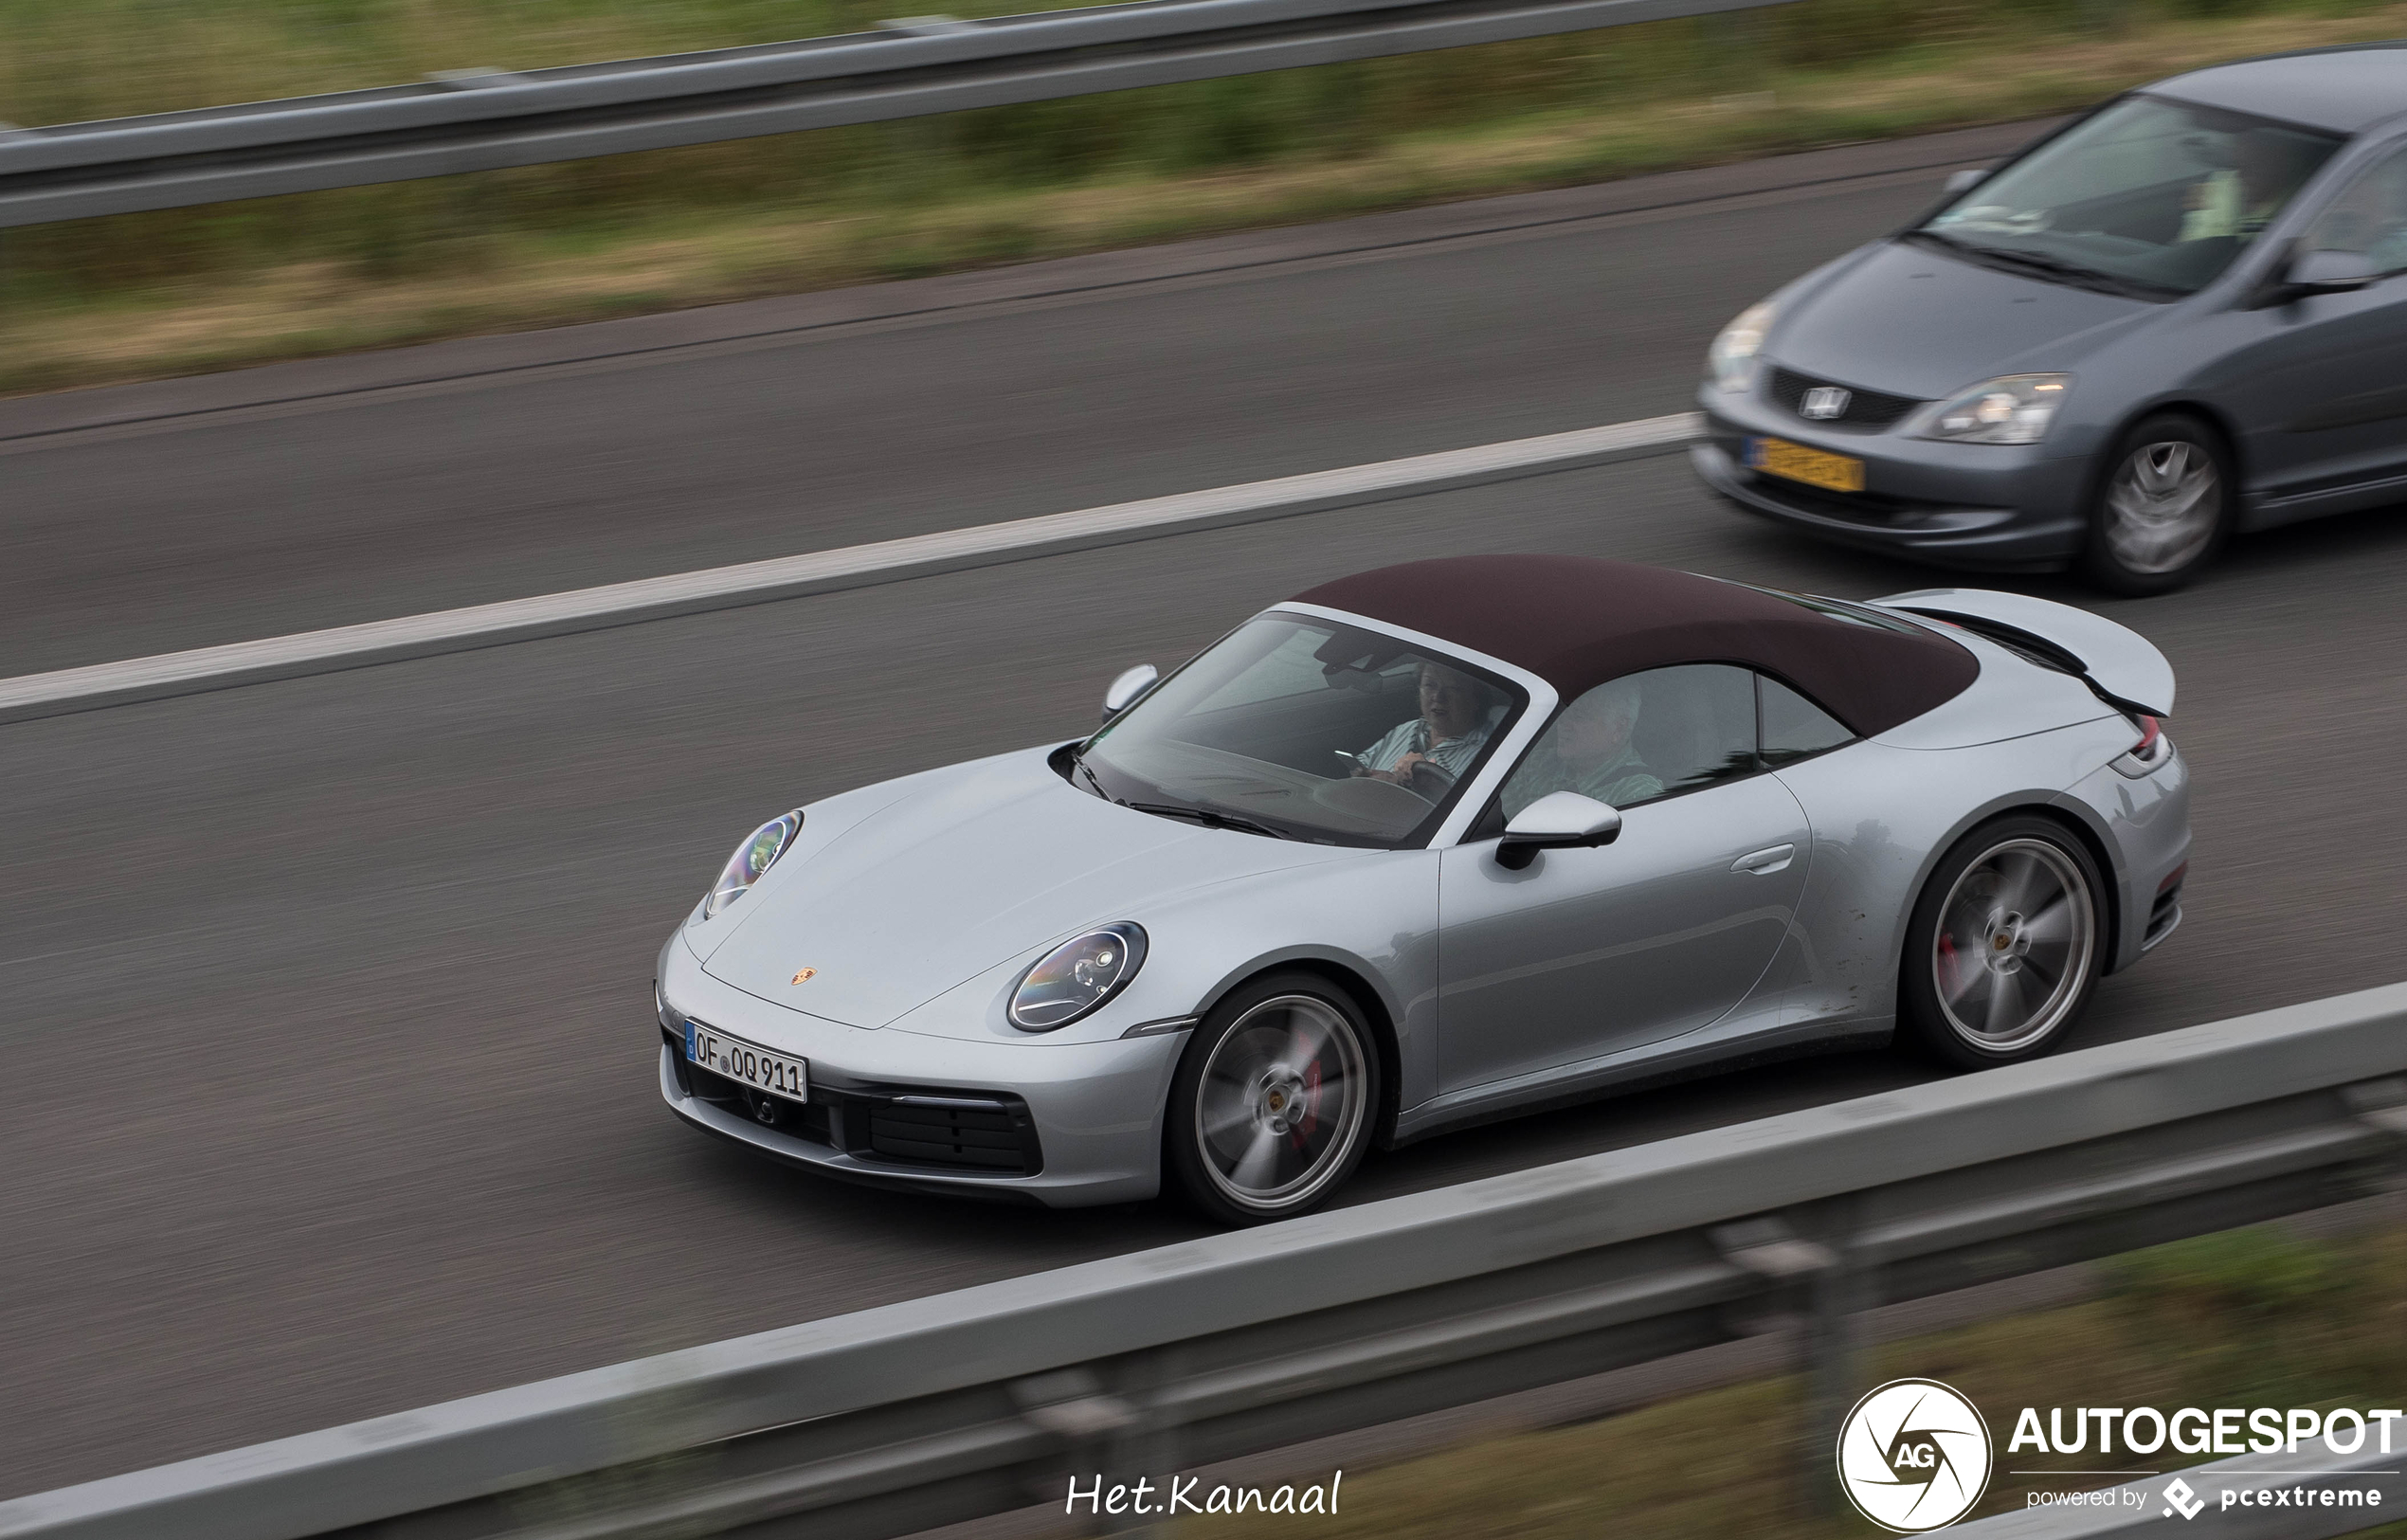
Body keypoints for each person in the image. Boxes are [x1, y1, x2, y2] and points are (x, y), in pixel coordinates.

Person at [1508, 678, 1665, 816]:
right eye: (1564, 712)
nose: (1562, 723)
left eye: (1579, 716)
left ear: (1618, 728)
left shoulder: (1639, 794)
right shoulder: (1539, 763)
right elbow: (1495, 823)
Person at [1352, 661, 1499, 796]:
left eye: (1453, 688)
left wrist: (1401, 787)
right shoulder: (1408, 728)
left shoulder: (1490, 754)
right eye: (1430, 685)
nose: (1438, 697)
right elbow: (1361, 764)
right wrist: (1362, 774)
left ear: (1476, 699)